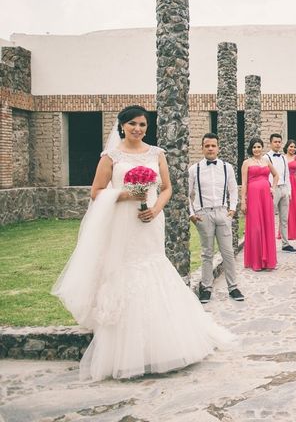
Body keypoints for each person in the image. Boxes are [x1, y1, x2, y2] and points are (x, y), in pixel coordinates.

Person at [52, 105, 234, 381]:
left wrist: (157, 208)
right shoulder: (110, 157)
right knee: (125, 270)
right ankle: (125, 351)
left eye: (143, 125)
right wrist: (127, 194)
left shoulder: (156, 153)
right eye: (133, 124)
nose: (138, 129)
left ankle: (167, 343)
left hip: (150, 220)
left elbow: (167, 187)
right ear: (122, 125)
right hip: (123, 222)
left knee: (153, 267)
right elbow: (96, 191)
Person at [188, 133, 244, 303]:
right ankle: (206, 288)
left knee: (228, 252)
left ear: (218, 147)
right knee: (206, 253)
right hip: (203, 214)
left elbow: (233, 189)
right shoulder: (194, 169)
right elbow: (187, 194)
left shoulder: (227, 167)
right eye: (207, 146)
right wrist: (191, 213)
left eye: (213, 145)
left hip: (222, 212)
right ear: (202, 148)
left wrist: (232, 209)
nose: (210, 148)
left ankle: (233, 287)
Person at [241, 138, 279, 270]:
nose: (256, 149)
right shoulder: (246, 163)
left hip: (266, 197)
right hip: (253, 197)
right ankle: (256, 261)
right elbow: (244, 183)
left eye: (258, 147)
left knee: (267, 224)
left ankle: (268, 260)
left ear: (262, 148)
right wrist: (243, 201)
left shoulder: (266, 161)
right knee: (256, 227)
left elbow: (276, 175)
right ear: (251, 149)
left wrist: (273, 187)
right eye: (254, 147)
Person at [266, 133, 296, 253]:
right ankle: (269, 245)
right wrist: (270, 189)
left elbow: (286, 175)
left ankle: (285, 244)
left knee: (284, 218)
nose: (277, 144)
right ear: (270, 143)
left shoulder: (283, 158)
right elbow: (267, 175)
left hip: (284, 188)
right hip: (273, 190)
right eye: (275, 142)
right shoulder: (266, 157)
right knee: (270, 218)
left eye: (279, 142)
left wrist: (289, 191)